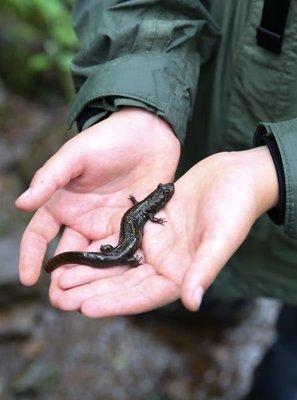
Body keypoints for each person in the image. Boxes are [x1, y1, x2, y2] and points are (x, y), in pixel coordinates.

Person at [15, 1, 297, 398]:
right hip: (147, 218)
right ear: (159, 198)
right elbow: (146, 213)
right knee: (195, 270)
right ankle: (216, 306)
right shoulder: (151, 206)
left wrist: (276, 174)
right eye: (164, 194)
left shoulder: (147, 205)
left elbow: (142, 210)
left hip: (283, 261)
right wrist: (139, 104)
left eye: (163, 195)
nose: (165, 195)